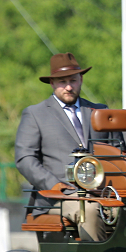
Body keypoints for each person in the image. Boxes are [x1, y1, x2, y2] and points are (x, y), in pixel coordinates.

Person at [15, 52, 111, 241]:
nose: (68, 87)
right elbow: (24, 159)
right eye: (61, 81)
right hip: (56, 197)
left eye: (73, 80)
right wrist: (53, 184)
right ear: (52, 83)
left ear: (81, 79)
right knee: (89, 211)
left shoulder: (99, 111)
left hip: (101, 192)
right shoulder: (35, 114)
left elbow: (116, 152)